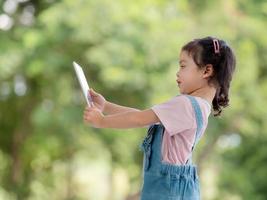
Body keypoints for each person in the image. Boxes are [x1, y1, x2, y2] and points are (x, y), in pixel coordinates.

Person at [83, 36, 236, 199]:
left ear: (207, 71)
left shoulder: (186, 104)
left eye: (183, 66)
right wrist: (106, 107)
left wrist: (101, 121)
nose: (178, 73)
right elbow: (144, 116)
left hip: (166, 191)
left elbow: (139, 119)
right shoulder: (198, 106)